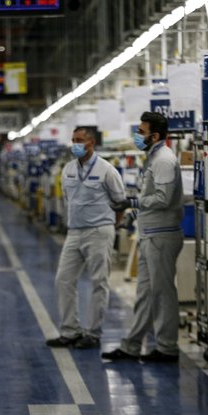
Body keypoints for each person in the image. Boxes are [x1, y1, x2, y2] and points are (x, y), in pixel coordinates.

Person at [102, 111, 184, 363]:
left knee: (162, 294)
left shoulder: (164, 161)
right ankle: (131, 345)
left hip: (162, 235)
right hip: (150, 233)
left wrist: (132, 202)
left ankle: (168, 348)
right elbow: (152, 196)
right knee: (146, 294)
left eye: (141, 131)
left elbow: (163, 198)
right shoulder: (153, 158)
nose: (138, 136)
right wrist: (132, 216)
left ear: (155, 135)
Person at [46, 127, 126, 350]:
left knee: (99, 282)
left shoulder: (107, 170)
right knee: (63, 279)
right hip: (74, 232)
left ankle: (93, 333)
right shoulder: (68, 169)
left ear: (91, 143)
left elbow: (120, 203)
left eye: (79, 140)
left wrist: (111, 225)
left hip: (98, 231)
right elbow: (67, 199)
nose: (75, 144)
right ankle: (70, 331)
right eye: (73, 140)